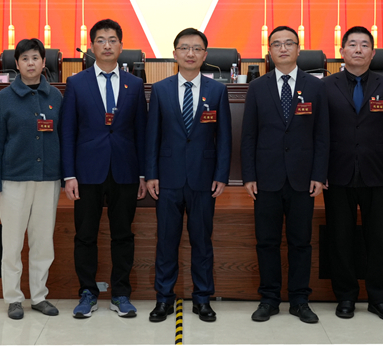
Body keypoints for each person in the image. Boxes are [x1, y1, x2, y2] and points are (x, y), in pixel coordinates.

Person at [240, 26, 329, 324]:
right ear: (269, 52)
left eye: (289, 43)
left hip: (303, 178)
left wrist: (319, 173)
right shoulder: (257, 87)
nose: (283, 48)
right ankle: (269, 298)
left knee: (300, 242)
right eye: (276, 44)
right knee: (266, 241)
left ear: (298, 49)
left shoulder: (315, 86)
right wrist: (249, 176)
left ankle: (300, 300)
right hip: (266, 178)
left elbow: (322, 135)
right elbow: (249, 135)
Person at [61, 18, 148, 318]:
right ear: (92, 46)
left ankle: (121, 293)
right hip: (87, 172)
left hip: (125, 171)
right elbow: (68, 131)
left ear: (121, 46)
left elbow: (141, 132)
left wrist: (142, 174)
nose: (107, 45)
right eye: (101, 40)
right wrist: (69, 174)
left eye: (112, 40)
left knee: (123, 235)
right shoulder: (76, 83)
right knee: (85, 234)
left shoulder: (134, 84)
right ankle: (87, 292)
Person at [145, 28, 232, 323]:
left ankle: (203, 298)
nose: (190, 53)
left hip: (203, 179)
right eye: (184, 48)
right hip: (167, 179)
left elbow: (224, 137)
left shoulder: (217, 91)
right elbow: (152, 137)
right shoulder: (160, 89)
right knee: (166, 242)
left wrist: (221, 174)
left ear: (205, 55)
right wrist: (151, 174)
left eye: (196, 48)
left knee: (202, 242)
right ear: (175, 54)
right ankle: (163, 299)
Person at [322, 26, 383, 322]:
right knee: (340, 239)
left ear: (373, 53)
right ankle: (345, 296)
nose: (358, 49)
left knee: (379, 239)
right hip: (337, 174)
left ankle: (379, 298)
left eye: (364, 45)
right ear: (342, 52)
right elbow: (318, 134)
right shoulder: (326, 87)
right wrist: (319, 171)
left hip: (378, 175)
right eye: (352, 44)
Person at [0, 38, 63, 320]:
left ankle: (39, 296)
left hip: (48, 180)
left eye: (35, 58)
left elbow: (64, 138)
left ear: (44, 63)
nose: (31, 63)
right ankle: (14, 298)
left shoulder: (56, 97)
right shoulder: (3, 98)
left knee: (43, 242)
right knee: (13, 242)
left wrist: (66, 176)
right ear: (16, 64)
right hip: (13, 181)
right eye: (25, 58)